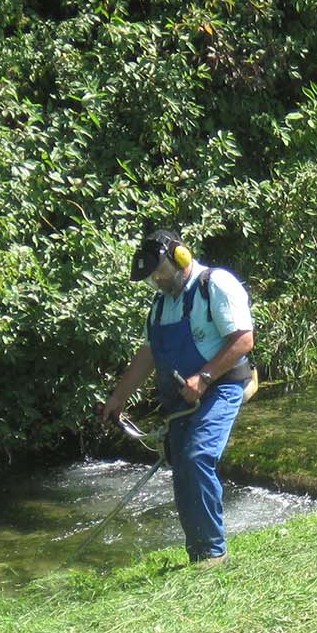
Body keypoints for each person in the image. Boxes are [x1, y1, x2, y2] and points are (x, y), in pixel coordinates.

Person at [100, 229, 256, 566]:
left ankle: (214, 553)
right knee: (182, 466)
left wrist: (205, 376)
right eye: (153, 276)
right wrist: (118, 398)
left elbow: (243, 340)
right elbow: (147, 355)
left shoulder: (214, 285)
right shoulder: (160, 306)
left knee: (198, 457)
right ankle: (198, 554)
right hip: (182, 399)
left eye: (162, 271)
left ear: (180, 257)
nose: (158, 279)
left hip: (222, 385)